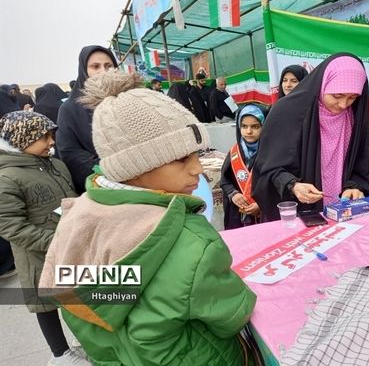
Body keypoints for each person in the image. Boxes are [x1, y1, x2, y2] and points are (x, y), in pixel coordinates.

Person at [39, 71, 257, 365]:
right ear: (136, 165)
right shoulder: (191, 242)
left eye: (197, 154)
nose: (198, 169)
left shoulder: (75, 218)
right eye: (182, 159)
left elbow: (86, 304)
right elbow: (233, 315)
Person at [0, 111, 84, 365]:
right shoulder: (7, 178)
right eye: (44, 137)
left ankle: (84, 339)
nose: (51, 142)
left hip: (70, 244)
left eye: (51, 136)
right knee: (45, 304)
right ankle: (60, 354)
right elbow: (10, 226)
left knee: (76, 292)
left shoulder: (56, 165)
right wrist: (54, 242)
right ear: (21, 139)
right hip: (37, 254)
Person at [252, 53, 369, 221]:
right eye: (337, 96)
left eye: (352, 97)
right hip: (300, 215)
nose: (343, 104)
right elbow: (266, 168)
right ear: (323, 84)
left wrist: (354, 187)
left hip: (344, 213)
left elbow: (362, 164)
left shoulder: (353, 116)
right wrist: (292, 185)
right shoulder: (286, 112)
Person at [56, 45, 117, 194]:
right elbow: (70, 152)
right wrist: (114, 168)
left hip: (142, 178)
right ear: (84, 70)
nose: (103, 71)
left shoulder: (126, 98)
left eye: (109, 66)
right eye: (95, 66)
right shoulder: (70, 108)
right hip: (101, 185)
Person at [221, 104, 266, 229]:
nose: (249, 131)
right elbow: (225, 181)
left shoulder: (271, 153)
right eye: (244, 126)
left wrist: (262, 205)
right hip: (238, 214)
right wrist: (233, 194)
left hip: (264, 215)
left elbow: (276, 185)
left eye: (255, 126)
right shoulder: (234, 152)